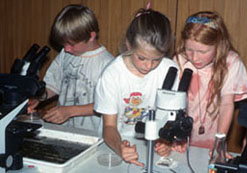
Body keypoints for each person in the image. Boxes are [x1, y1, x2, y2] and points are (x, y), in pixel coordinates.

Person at [94, 8, 179, 166]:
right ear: (128, 44)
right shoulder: (112, 75)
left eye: (156, 60)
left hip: (151, 144)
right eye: (142, 58)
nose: (148, 66)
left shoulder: (170, 70)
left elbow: (169, 117)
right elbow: (109, 126)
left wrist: (165, 141)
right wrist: (120, 148)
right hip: (113, 144)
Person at [28, 4, 114, 132]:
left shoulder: (108, 65)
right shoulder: (65, 54)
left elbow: (108, 105)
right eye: (64, 44)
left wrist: (70, 111)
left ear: (91, 36)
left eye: (71, 44)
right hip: (63, 130)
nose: (66, 49)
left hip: (92, 134)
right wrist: (38, 99)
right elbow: (53, 85)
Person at [173, 11, 247, 152]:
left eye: (203, 52)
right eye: (189, 49)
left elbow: (227, 104)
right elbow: (172, 105)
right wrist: (176, 138)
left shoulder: (231, 63)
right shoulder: (180, 61)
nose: (194, 57)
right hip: (181, 140)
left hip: (214, 139)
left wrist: (219, 142)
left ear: (219, 45)